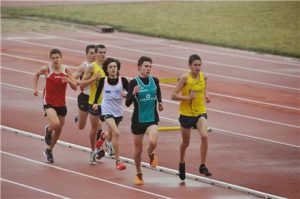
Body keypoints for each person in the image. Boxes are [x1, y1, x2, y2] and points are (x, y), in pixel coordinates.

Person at [171, 54, 212, 180]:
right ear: (189, 66)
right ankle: (182, 162)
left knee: (204, 135)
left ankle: (202, 165)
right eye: (195, 65)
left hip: (200, 112)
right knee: (185, 143)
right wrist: (187, 97)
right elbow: (173, 95)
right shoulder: (184, 78)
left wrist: (206, 96)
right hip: (186, 115)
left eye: (199, 65)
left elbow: (204, 88)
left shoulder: (204, 76)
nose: (198, 67)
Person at [33, 48, 77, 163]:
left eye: (57, 58)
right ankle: (48, 130)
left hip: (61, 103)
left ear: (61, 58)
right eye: (53, 58)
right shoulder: (47, 69)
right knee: (55, 124)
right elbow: (36, 74)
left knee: (59, 129)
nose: (55, 60)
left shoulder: (67, 70)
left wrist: (68, 80)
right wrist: (35, 89)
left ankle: (49, 150)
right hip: (49, 101)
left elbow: (75, 87)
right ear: (50, 59)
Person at [125, 56, 164, 185]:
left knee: (153, 142)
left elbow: (157, 91)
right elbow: (127, 103)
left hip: (152, 118)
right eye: (146, 66)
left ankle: (151, 153)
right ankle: (138, 173)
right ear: (139, 67)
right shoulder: (133, 83)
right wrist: (133, 93)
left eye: (150, 66)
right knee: (138, 150)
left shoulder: (155, 80)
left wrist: (160, 102)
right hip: (138, 120)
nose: (148, 69)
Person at [92, 57, 129, 171]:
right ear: (107, 70)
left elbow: (129, 93)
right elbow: (98, 92)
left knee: (111, 134)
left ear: (117, 68)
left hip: (118, 111)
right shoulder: (103, 80)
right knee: (116, 133)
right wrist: (94, 103)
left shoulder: (123, 80)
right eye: (110, 67)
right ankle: (118, 161)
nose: (113, 69)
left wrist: (126, 94)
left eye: (115, 67)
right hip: (106, 109)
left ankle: (103, 137)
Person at [79, 44, 106, 165]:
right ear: (95, 54)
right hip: (93, 102)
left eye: (104, 52)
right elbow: (82, 85)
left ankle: (103, 144)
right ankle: (93, 150)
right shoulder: (91, 67)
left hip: (106, 102)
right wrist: (94, 78)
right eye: (100, 52)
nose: (102, 54)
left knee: (113, 127)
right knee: (95, 128)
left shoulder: (108, 66)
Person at [73, 44, 96, 130]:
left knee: (98, 125)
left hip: (97, 98)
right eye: (91, 53)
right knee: (81, 127)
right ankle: (78, 117)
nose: (94, 55)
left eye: (95, 53)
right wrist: (80, 83)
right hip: (85, 97)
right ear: (87, 54)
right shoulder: (83, 67)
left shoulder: (101, 66)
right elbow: (73, 79)